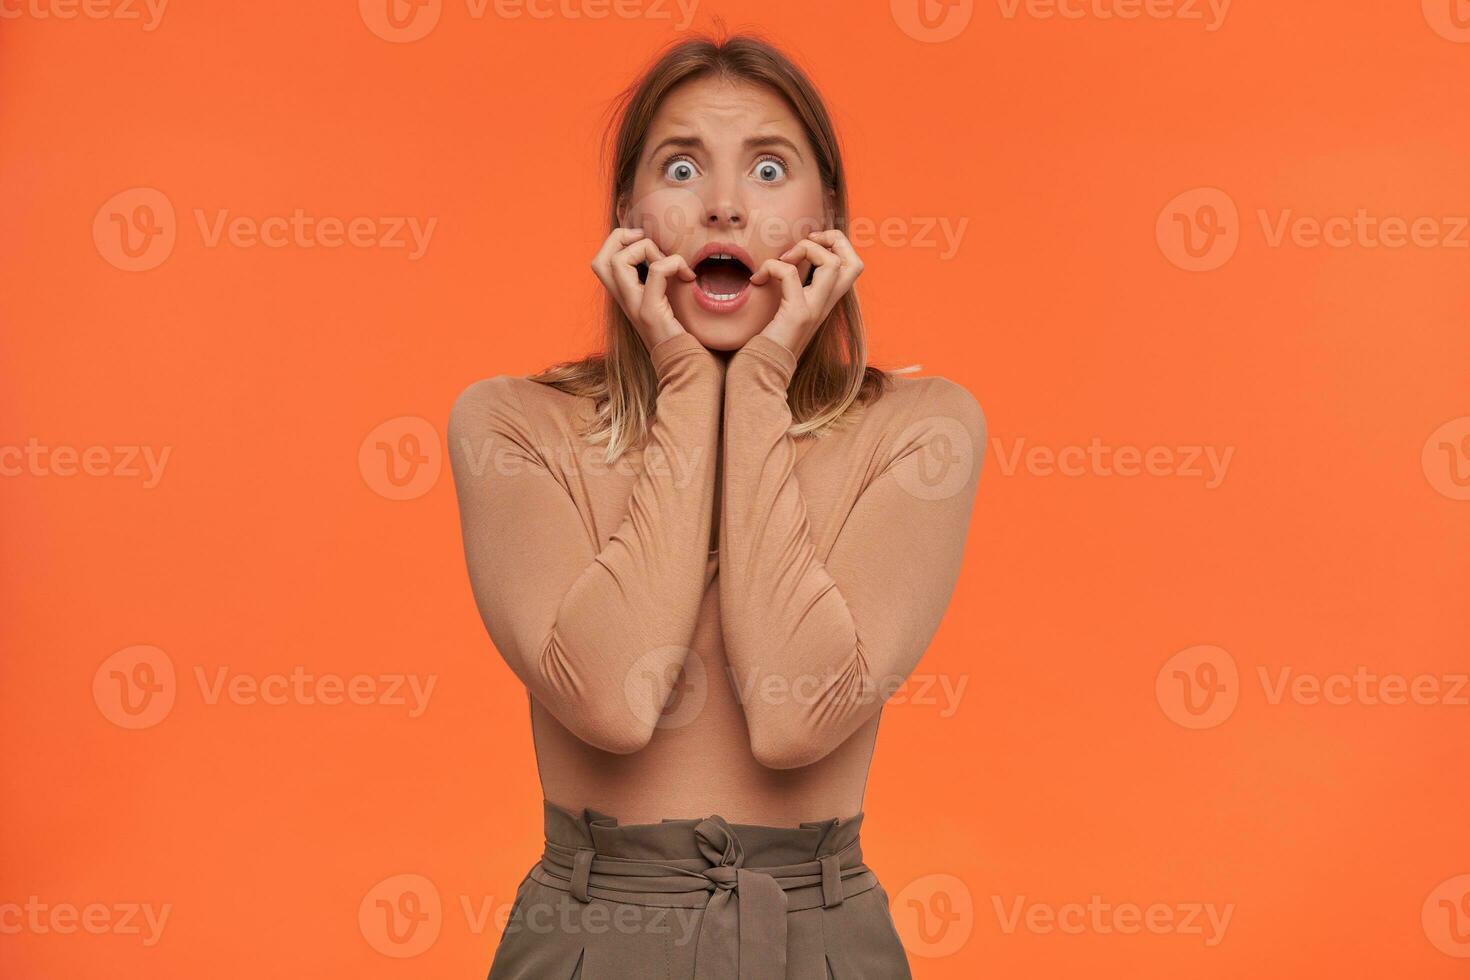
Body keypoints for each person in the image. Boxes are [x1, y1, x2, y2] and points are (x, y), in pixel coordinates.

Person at [449, 30, 985, 980]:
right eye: (682, 166)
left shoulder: (923, 428)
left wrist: (765, 380)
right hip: (589, 940)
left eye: (770, 168)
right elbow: (613, 700)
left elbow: (797, 721)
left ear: (830, 214)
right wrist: (691, 386)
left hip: (818, 941)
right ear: (627, 214)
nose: (726, 204)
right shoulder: (509, 422)